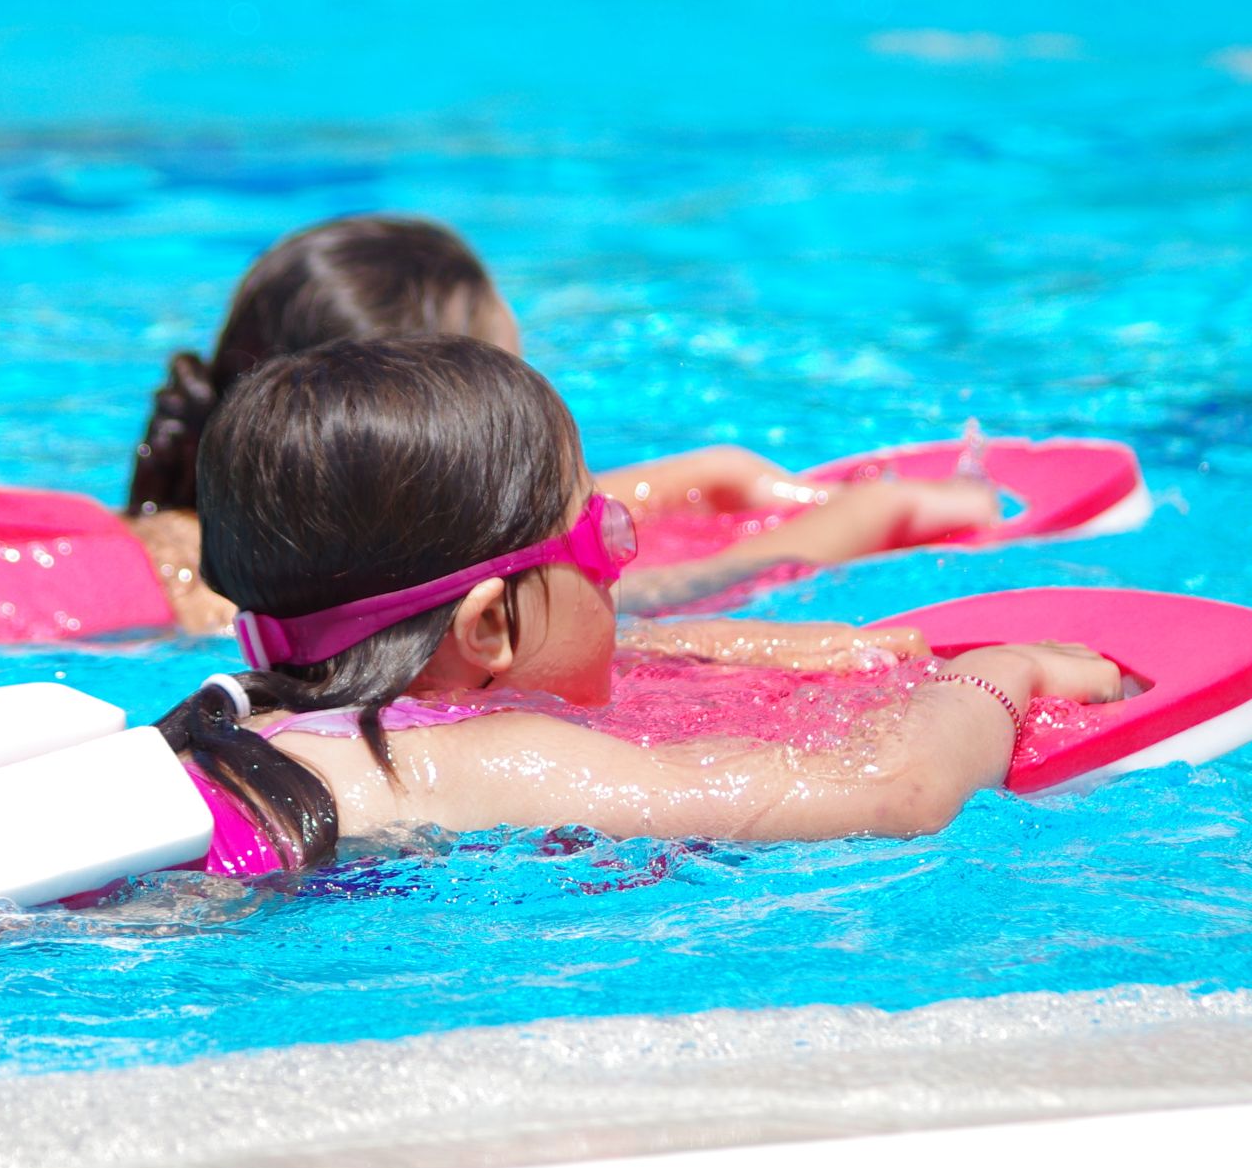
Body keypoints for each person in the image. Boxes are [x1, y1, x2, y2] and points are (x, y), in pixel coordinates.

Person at [158, 337, 1121, 874]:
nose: (621, 570)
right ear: (488, 625)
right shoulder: (472, 758)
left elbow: (595, 664)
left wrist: (750, 653)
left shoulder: (258, 716)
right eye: (605, 538)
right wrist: (998, 677)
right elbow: (896, 796)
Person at [121, 213, 1000, 626]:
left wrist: (708, 475)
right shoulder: (265, 602)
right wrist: (864, 518)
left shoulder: (237, 537)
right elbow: (657, 597)